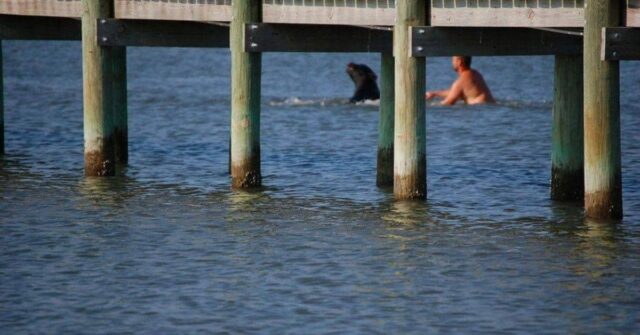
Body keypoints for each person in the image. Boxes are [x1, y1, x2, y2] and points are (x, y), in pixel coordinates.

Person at [425, 56, 495, 105]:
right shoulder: (475, 73)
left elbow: (447, 103)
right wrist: (434, 94)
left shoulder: (461, 82)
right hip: (489, 107)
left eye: (453, 59)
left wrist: (430, 107)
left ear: (459, 62)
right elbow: (455, 92)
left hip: (478, 109)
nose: (452, 62)